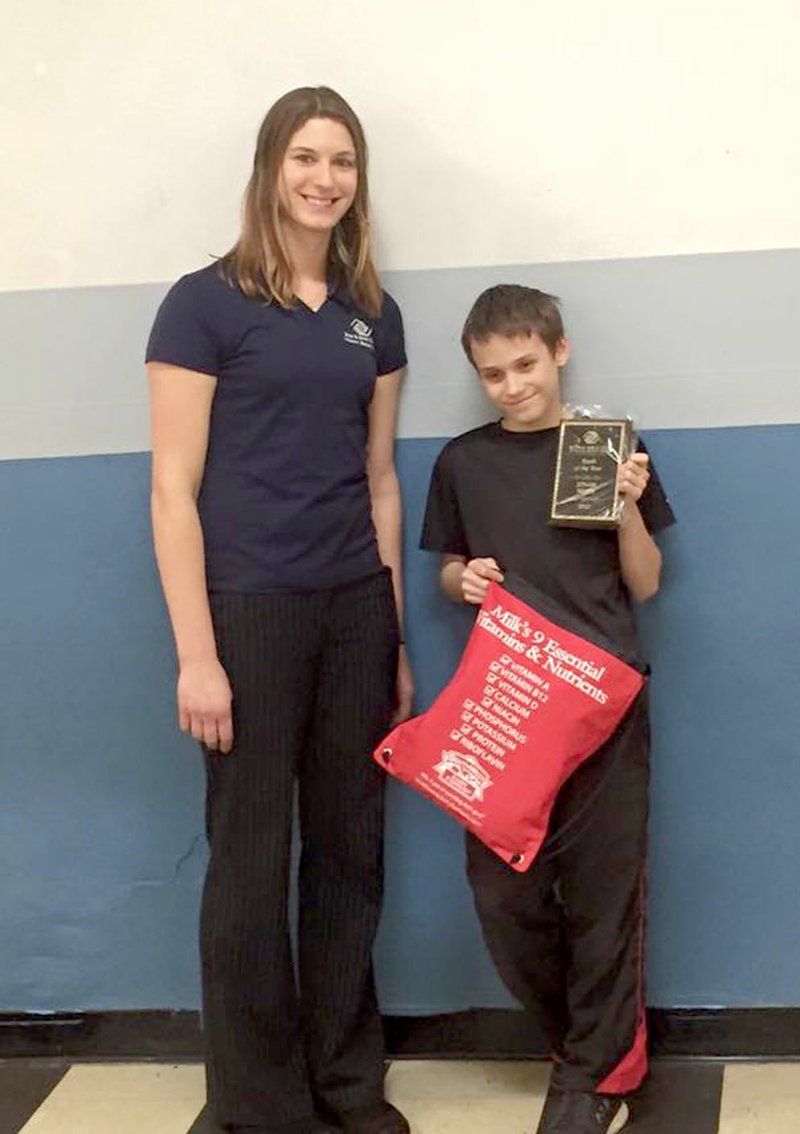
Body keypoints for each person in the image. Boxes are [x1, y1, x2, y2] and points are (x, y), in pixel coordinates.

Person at [146, 86, 412, 1134]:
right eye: (305, 157)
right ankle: (260, 1108)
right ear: (269, 168)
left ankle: (346, 1084)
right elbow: (173, 489)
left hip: (355, 608)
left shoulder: (371, 315)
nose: (323, 179)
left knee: (350, 852)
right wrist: (196, 657)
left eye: (341, 161)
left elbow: (380, 481)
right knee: (252, 864)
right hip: (248, 612)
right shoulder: (202, 303)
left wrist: (390, 634)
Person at [420, 285, 675, 1134]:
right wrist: (468, 578)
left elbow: (645, 582)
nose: (511, 385)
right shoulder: (461, 461)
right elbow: (448, 575)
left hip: (605, 700)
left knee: (605, 897)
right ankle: (577, 1045)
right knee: (503, 897)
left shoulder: (609, 447)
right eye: (492, 373)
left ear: (559, 353)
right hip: (509, 705)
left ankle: (600, 1079)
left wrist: (631, 503)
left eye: (525, 365)